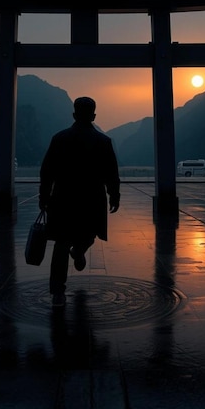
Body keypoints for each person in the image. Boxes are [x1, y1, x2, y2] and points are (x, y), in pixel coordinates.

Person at [39, 96, 120, 307]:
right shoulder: (103, 142)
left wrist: (44, 196)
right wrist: (114, 195)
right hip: (92, 200)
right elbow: (112, 172)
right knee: (89, 235)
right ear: (94, 116)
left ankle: (58, 291)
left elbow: (47, 171)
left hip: (63, 199)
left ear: (74, 115)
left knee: (61, 243)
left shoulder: (59, 139)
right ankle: (79, 251)